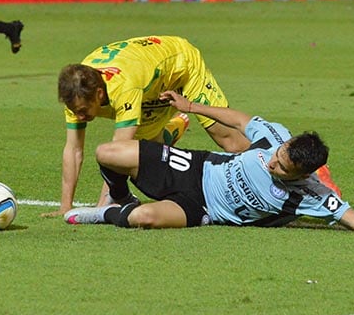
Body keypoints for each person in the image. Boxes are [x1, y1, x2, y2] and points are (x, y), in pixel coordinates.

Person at [65, 90, 354, 235]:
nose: (273, 162)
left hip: (201, 206)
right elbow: (241, 119)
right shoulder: (276, 137)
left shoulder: (311, 195)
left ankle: (105, 214)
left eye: (282, 168)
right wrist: (191, 107)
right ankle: (115, 196)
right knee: (107, 153)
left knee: (142, 218)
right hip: (197, 167)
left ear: (304, 175)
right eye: (278, 156)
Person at [45, 35, 253, 217]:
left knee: (231, 142)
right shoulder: (76, 93)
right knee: (148, 149)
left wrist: (104, 204)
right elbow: (73, 149)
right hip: (148, 80)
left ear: (99, 94)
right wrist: (66, 206)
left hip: (181, 65)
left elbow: (118, 150)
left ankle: (269, 181)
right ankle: (170, 131)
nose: (78, 116)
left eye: (83, 111)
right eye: (74, 111)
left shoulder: (123, 87)